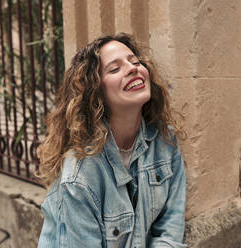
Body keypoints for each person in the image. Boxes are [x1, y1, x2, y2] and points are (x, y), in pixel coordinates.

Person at [37, 33, 187, 248]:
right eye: (115, 69)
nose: (133, 68)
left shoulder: (164, 140)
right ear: (95, 92)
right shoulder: (80, 174)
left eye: (135, 61)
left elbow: (170, 231)